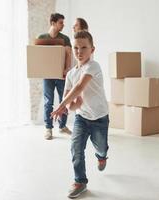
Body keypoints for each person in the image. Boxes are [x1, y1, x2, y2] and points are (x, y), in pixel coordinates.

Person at [51, 31, 109, 199]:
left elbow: (79, 88)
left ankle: (102, 156)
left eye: (84, 47)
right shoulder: (70, 74)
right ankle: (80, 181)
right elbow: (70, 99)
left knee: (101, 146)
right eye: (76, 48)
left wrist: (62, 106)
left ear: (92, 50)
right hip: (81, 118)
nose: (79, 51)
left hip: (99, 117)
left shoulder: (93, 66)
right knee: (76, 148)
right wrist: (70, 105)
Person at [36, 13, 73, 140]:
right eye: (61, 23)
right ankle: (48, 128)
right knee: (48, 102)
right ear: (53, 23)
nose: (63, 25)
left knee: (65, 101)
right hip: (48, 76)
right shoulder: (41, 38)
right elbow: (37, 57)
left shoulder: (65, 39)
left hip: (62, 75)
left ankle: (62, 126)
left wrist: (67, 70)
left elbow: (69, 54)